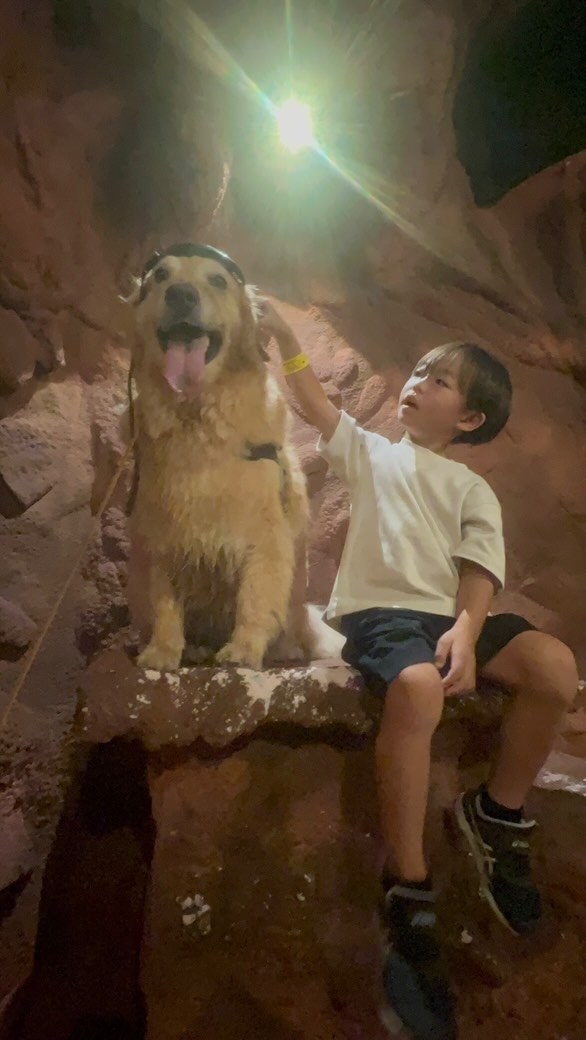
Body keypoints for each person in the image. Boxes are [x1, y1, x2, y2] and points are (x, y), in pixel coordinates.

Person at [259, 301, 578, 1040]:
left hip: (447, 616)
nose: (418, 382)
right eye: (422, 371)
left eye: (440, 381)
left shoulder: (471, 489)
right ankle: (408, 885)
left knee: (554, 666)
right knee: (415, 685)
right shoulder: (371, 453)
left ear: (469, 419)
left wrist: (468, 630)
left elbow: (480, 568)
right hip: (384, 616)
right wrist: (282, 337)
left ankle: (496, 814)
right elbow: (314, 405)